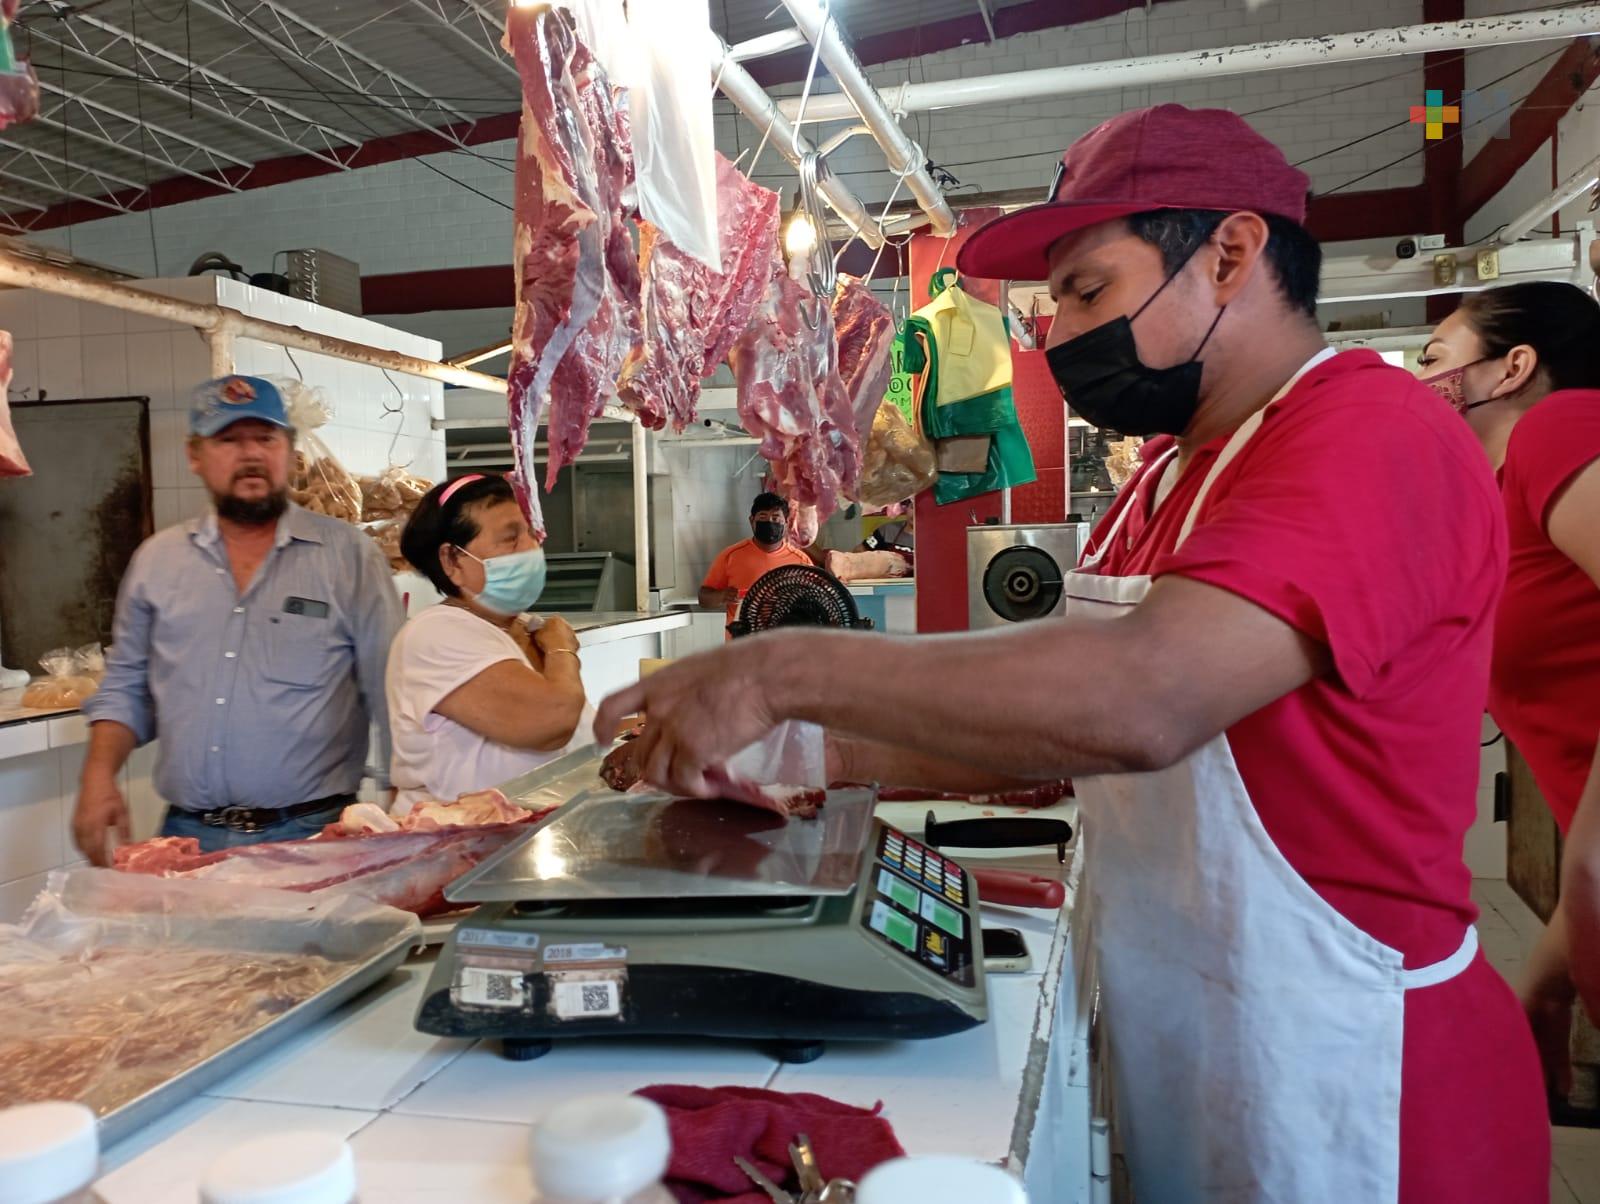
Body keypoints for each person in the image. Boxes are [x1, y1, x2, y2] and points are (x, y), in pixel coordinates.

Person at [595, 105, 1547, 1201]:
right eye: (1053, 306)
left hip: (1360, 1082)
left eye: (1088, 291)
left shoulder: (1369, 433)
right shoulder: (1166, 477)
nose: (1058, 337)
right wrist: (811, 755)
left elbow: (1145, 697)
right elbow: (1063, 737)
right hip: (1207, 1039)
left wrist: (776, 673)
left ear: (1231, 254)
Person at [73, 376, 402, 859]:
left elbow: (390, 686)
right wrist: (98, 777)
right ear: (195, 455)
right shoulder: (157, 562)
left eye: (266, 438)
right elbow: (126, 686)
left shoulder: (349, 557)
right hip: (188, 837)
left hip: (315, 836)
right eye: (228, 440)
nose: (250, 455)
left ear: (290, 451)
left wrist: (401, 793)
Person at [1415, 282, 1600, 1104]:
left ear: (1512, 367)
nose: (1420, 381)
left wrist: (1588, 863)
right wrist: (1552, 983)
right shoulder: (1495, 498)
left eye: (1435, 358)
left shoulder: (1560, 426)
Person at [387, 474, 592, 812]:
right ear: (452, 560)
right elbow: (552, 722)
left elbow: (579, 742)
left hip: (528, 833)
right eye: (510, 539)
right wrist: (562, 650)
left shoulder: (526, 630)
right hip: (460, 839)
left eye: (531, 533)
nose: (530, 548)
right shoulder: (435, 634)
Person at [698, 492, 813, 630]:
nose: (769, 522)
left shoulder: (801, 561)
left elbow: (814, 603)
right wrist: (722, 596)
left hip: (784, 639)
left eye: (775, 518)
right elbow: (703, 599)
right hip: (743, 640)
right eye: (763, 517)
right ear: (752, 521)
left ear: (787, 523)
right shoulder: (731, 556)